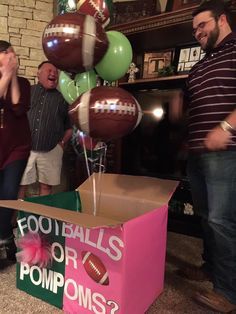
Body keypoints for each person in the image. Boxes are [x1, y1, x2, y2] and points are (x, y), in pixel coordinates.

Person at [173, 0, 236, 312]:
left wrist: (225, 126)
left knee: (221, 220)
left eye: (203, 25)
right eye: (194, 28)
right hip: (198, 153)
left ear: (222, 20)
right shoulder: (199, 66)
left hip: (227, 152)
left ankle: (228, 292)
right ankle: (210, 267)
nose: (197, 33)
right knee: (206, 218)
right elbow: (190, 108)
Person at [19, 61, 72, 197]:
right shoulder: (27, 91)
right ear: (39, 73)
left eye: (56, 72)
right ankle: (17, 217)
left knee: (46, 187)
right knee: (20, 185)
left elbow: (69, 127)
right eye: (49, 70)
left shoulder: (62, 98)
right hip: (25, 148)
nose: (54, 73)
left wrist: (61, 145)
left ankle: (42, 218)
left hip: (51, 149)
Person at [0, 40, 31, 262]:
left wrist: (11, 76)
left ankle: (2, 238)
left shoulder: (24, 82)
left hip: (17, 147)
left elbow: (18, 107)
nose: (13, 57)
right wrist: (4, 76)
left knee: (9, 191)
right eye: (8, 53)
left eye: (14, 55)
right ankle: (7, 238)